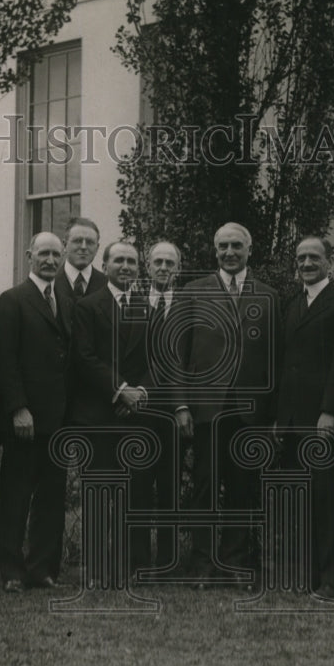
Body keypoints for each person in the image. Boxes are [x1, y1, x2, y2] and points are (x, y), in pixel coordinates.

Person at [173, 222, 281, 588]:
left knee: (242, 487)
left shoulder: (268, 295)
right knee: (205, 487)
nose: (230, 252)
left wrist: (273, 415)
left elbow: (275, 359)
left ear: (250, 250)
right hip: (207, 410)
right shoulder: (192, 292)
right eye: (223, 246)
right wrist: (181, 406)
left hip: (251, 412)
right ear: (215, 250)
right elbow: (177, 355)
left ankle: (235, 562)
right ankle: (203, 564)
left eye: (236, 245)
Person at [275, 236, 334, 598]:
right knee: (303, 500)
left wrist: (330, 411)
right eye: (301, 257)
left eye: (314, 257)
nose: (307, 263)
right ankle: (307, 574)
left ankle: (333, 577)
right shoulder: (293, 304)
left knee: (329, 501)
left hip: (324, 420)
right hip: (294, 421)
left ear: (329, 261)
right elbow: (286, 364)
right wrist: (281, 417)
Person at [0, 232, 72, 592]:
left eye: (56, 254)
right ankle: (11, 571)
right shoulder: (12, 300)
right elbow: (4, 360)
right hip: (24, 420)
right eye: (44, 254)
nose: (50, 260)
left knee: (52, 499)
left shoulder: (65, 301)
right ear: (29, 256)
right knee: (16, 497)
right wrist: (18, 408)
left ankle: (43, 569)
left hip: (58, 419)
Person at [70, 240, 153, 581]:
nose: (126, 267)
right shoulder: (87, 307)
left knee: (137, 491)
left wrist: (139, 393)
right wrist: (120, 391)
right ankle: (96, 566)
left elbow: (158, 358)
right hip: (99, 413)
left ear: (138, 268)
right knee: (99, 491)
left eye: (132, 261)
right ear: (105, 266)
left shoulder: (148, 307)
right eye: (118, 260)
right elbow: (84, 357)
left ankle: (134, 564)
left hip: (137, 416)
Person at [138, 241, 183, 570]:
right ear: (148, 266)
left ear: (178, 269)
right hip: (139, 411)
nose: (164, 267)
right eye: (158, 262)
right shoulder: (132, 305)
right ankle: (138, 559)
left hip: (175, 413)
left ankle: (168, 561)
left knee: (170, 487)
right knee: (138, 486)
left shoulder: (189, 307)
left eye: (170, 263)